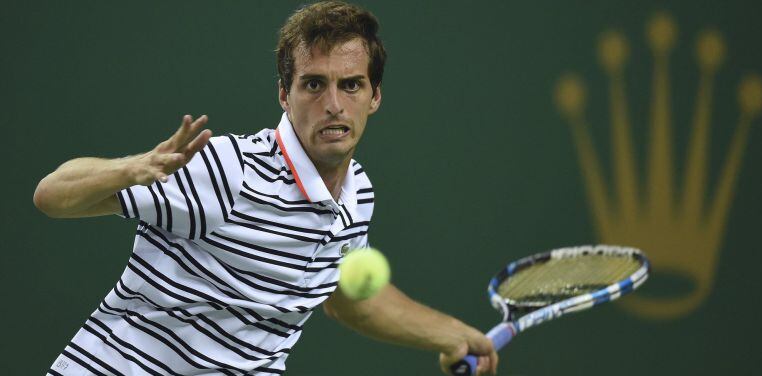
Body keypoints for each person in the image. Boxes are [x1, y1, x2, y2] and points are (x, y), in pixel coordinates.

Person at [34, 1, 498, 375]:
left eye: (351, 85)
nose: (334, 104)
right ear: (284, 94)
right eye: (314, 84)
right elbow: (52, 195)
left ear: (374, 97)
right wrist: (134, 168)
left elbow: (350, 298)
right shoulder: (230, 171)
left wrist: (453, 334)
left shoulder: (357, 194)